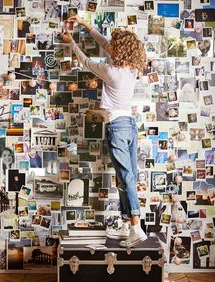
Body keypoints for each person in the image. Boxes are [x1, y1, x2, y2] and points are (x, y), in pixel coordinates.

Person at [62, 15, 147, 247]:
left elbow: (84, 60)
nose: (110, 45)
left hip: (118, 127)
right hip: (129, 125)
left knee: (126, 177)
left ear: (119, 49)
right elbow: (104, 44)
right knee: (124, 178)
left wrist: (71, 41)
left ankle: (136, 226)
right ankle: (126, 224)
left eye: (114, 44)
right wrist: (85, 25)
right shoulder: (132, 67)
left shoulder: (111, 71)